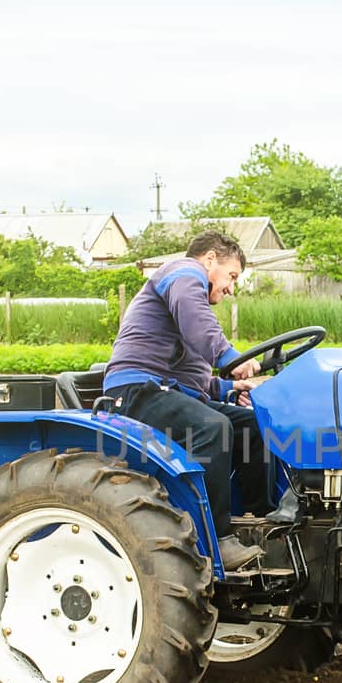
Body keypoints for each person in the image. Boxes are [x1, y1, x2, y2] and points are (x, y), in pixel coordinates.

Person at [104, 231, 269, 569]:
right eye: (232, 276)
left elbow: (189, 377)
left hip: (165, 389)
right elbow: (200, 327)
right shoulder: (182, 274)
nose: (231, 288)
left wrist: (229, 389)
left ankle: (266, 521)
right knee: (213, 428)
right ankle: (217, 540)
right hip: (136, 390)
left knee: (255, 424)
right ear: (210, 260)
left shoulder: (184, 296)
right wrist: (229, 356)